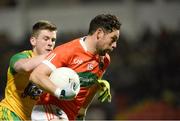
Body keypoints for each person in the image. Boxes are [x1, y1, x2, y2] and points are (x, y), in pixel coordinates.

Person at [30, 14, 121, 120]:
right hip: (48, 110)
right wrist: (60, 92)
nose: (115, 45)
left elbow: (90, 87)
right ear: (99, 33)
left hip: (69, 116)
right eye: (113, 39)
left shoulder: (104, 60)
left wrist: (82, 112)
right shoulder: (67, 51)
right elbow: (36, 75)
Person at [0, 20, 57, 120]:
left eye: (53, 40)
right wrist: (54, 55)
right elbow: (25, 67)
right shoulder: (20, 57)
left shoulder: (53, 66)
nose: (50, 43)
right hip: (11, 113)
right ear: (33, 41)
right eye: (46, 39)